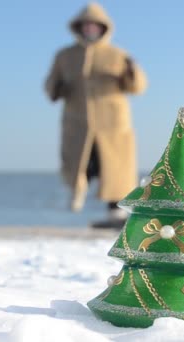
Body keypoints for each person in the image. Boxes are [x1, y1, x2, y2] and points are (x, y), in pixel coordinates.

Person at [45, 3, 147, 228]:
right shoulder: (65, 55)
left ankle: (116, 215)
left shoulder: (118, 54)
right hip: (77, 119)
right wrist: (58, 86)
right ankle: (77, 191)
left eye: (95, 26)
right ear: (79, 28)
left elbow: (137, 87)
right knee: (80, 163)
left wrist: (132, 70)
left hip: (113, 122)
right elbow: (51, 87)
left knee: (114, 169)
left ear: (103, 28)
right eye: (86, 25)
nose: (90, 30)